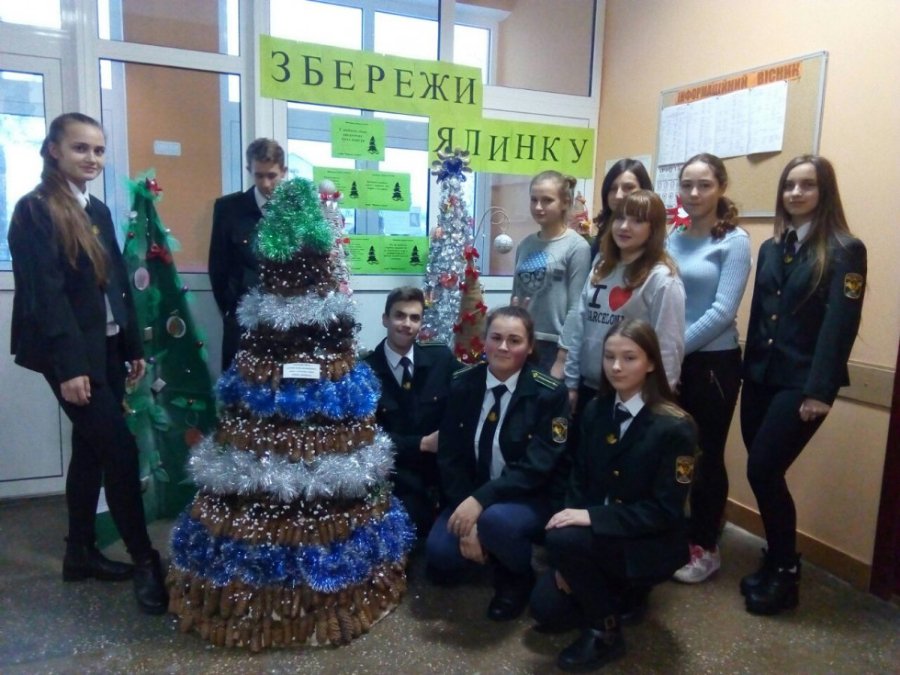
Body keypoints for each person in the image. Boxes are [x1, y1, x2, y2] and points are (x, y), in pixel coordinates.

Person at [7, 112, 167, 614]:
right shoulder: (35, 210)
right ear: (53, 150)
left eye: (98, 150)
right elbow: (46, 297)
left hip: (107, 348)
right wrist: (71, 368)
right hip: (70, 354)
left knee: (92, 450)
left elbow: (115, 282)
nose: (92, 158)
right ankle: (144, 559)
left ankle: (78, 554)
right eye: (80, 148)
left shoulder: (95, 208)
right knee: (118, 451)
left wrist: (133, 347)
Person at [530, 319, 696, 672]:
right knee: (546, 611)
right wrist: (568, 552)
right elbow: (578, 477)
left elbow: (664, 511)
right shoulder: (596, 410)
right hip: (598, 534)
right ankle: (615, 588)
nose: (616, 367)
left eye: (629, 358)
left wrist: (586, 523)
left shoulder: (675, 427)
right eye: (609, 357)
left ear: (651, 363)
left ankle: (605, 631)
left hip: (647, 538)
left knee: (564, 543)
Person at [740, 155, 866, 615]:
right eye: (789, 185)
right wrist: (745, 371)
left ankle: (786, 572)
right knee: (763, 471)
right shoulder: (773, 248)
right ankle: (776, 558)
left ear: (824, 191)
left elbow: (840, 325)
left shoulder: (844, 249)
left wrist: (820, 390)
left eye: (807, 185)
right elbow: (760, 315)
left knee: (763, 470)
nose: (795, 193)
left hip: (801, 383)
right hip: (760, 377)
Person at [426, 306, 569, 621]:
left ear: (529, 347)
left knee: (497, 523)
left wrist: (480, 503)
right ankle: (491, 547)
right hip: (472, 491)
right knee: (440, 558)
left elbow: (538, 466)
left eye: (514, 340)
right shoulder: (462, 384)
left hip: (525, 496)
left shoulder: (549, 394)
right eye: (496, 338)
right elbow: (450, 457)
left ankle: (516, 577)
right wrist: (467, 515)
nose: (503, 347)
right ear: (485, 341)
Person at [668, 153, 751, 583]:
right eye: (687, 184)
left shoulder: (734, 241)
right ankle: (676, 537)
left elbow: (722, 312)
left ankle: (705, 546)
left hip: (713, 363)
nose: (694, 193)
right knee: (672, 450)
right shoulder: (674, 236)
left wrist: (674, 350)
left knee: (705, 455)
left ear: (720, 187)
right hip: (671, 358)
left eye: (704, 184)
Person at [561, 190, 685, 428]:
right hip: (590, 388)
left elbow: (669, 347)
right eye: (620, 218)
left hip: (635, 397)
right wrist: (571, 382)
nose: (625, 227)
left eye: (637, 220)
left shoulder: (662, 278)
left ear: (653, 229)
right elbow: (579, 326)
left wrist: (658, 402)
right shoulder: (601, 266)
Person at [364, 286, 459, 540]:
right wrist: (421, 444)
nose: (407, 324)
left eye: (414, 318)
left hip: (440, 472)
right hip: (395, 474)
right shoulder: (366, 372)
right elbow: (367, 437)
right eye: (399, 315)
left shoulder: (440, 359)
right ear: (385, 319)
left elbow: (471, 390)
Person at [208, 138, 286, 371]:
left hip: (284, 319)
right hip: (241, 318)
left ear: (283, 172)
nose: (265, 183)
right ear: (249, 170)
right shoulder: (229, 209)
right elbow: (218, 266)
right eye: (259, 175)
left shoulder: (294, 213)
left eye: (272, 176)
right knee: (238, 385)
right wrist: (231, 309)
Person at [511, 171, 591, 373]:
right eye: (534, 200)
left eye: (547, 200)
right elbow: (516, 297)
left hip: (554, 346)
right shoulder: (525, 244)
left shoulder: (576, 246)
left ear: (565, 202)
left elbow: (577, 306)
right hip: (523, 340)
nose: (538, 207)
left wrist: (562, 358)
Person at [588, 158, 654, 262]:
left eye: (628, 187)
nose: (618, 196)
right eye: (613, 189)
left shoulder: (654, 241)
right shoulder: (602, 236)